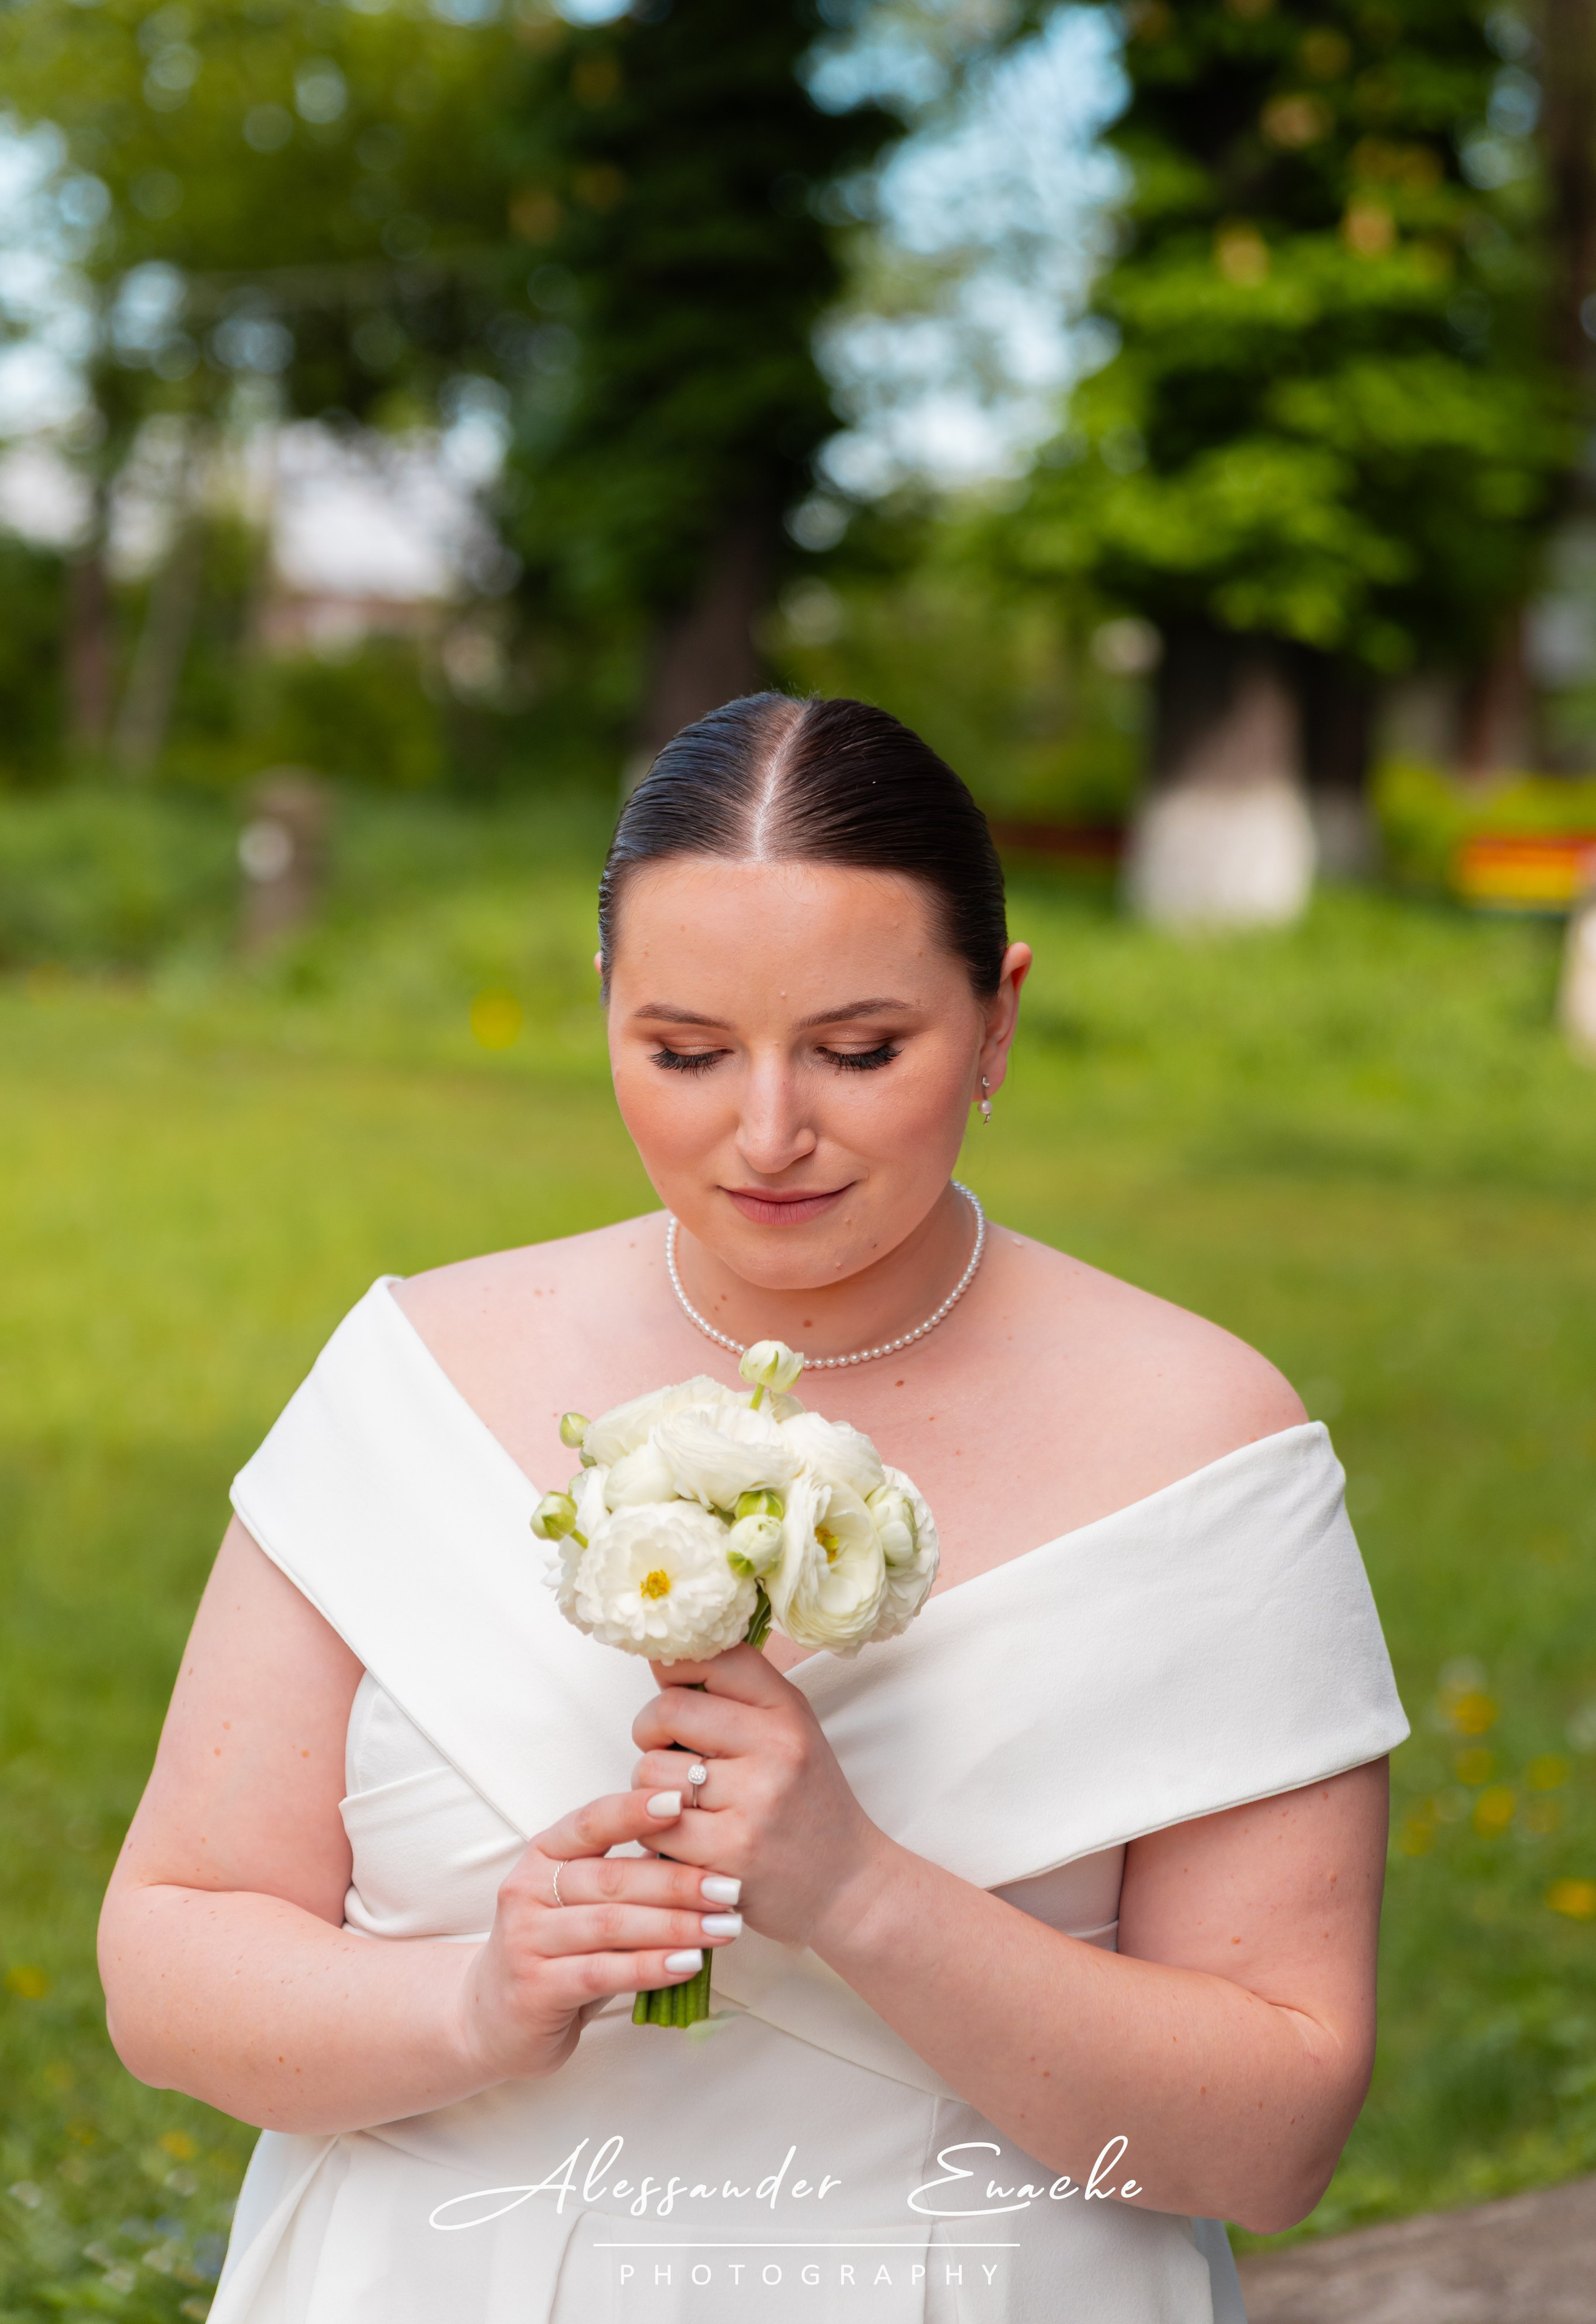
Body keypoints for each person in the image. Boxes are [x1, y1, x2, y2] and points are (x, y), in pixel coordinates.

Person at [99, 695, 1408, 2324]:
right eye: (686, 1049)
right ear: (605, 1009)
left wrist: (860, 1893)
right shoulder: (412, 1378)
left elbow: (1274, 2140)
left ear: (996, 1019)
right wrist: (479, 1999)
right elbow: (171, 1963)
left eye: (860, 1051)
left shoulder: (1204, 1440)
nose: (769, 1129)